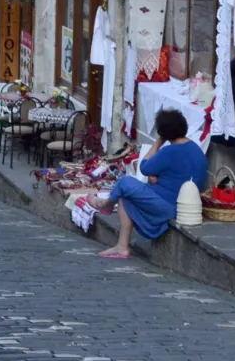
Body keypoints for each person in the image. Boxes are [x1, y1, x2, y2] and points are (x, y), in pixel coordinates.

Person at [84, 108, 206, 259]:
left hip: (169, 206)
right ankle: (122, 246)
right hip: (178, 202)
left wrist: (157, 143)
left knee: (125, 182)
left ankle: (105, 204)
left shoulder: (170, 151)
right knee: (125, 195)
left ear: (163, 133)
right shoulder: (195, 149)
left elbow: (144, 167)